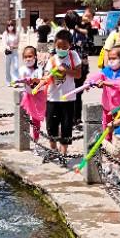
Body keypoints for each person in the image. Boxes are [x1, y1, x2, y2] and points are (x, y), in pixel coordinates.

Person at [44, 29, 82, 165]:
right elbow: (46, 77)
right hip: (53, 98)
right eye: (58, 47)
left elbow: (78, 74)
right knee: (51, 126)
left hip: (68, 99)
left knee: (66, 126)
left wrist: (66, 70)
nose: (61, 49)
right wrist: (50, 76)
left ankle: (63, 153)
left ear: (70, 46)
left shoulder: (73, 56)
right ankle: (53, 150)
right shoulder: (52, 59)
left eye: (64, 47)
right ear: (55, 45)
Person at [18, 45, 46, 153]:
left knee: (36, 121)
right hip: (28, 97)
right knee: (25, 119)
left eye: (30, 56)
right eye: (25, 57)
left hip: (39, 97)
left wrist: (37, 81)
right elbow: (22, 79)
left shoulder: (39, 70)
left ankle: (36, 143)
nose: (28, 59)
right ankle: (24, 141)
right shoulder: (22, 69)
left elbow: (42, 82)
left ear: (35, 57)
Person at [65, 10, 89, 126]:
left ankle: (71, 117)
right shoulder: (80, 33)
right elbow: (85, 52)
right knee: (77, 93)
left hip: (70, 68)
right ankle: (77, 118)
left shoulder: (65, 34)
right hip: (80, 67)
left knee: (70, 93)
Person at [101, 46, 120, 132]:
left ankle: (119, 141)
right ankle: (107, 142)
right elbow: (97, 76)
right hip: (106, 105)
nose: (111, 60)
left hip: (119, 107)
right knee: (106, 127)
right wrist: (89, 82)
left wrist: (106, 83)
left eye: (114, 58)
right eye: (109, 58)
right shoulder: (106, 70)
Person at [2, 20, 20, 86]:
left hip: (15, 51)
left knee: (15, 66)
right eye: (9, 25)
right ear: (7, 26)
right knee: (7, 67)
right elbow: (4, 43)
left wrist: (14, 46)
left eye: (11, 25)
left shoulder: (16, 33)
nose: (10, 27)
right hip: (8, 52)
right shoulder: (5, 34)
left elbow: (18, 42)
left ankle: (15, 81)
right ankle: (8, 81)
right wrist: (8, 47)